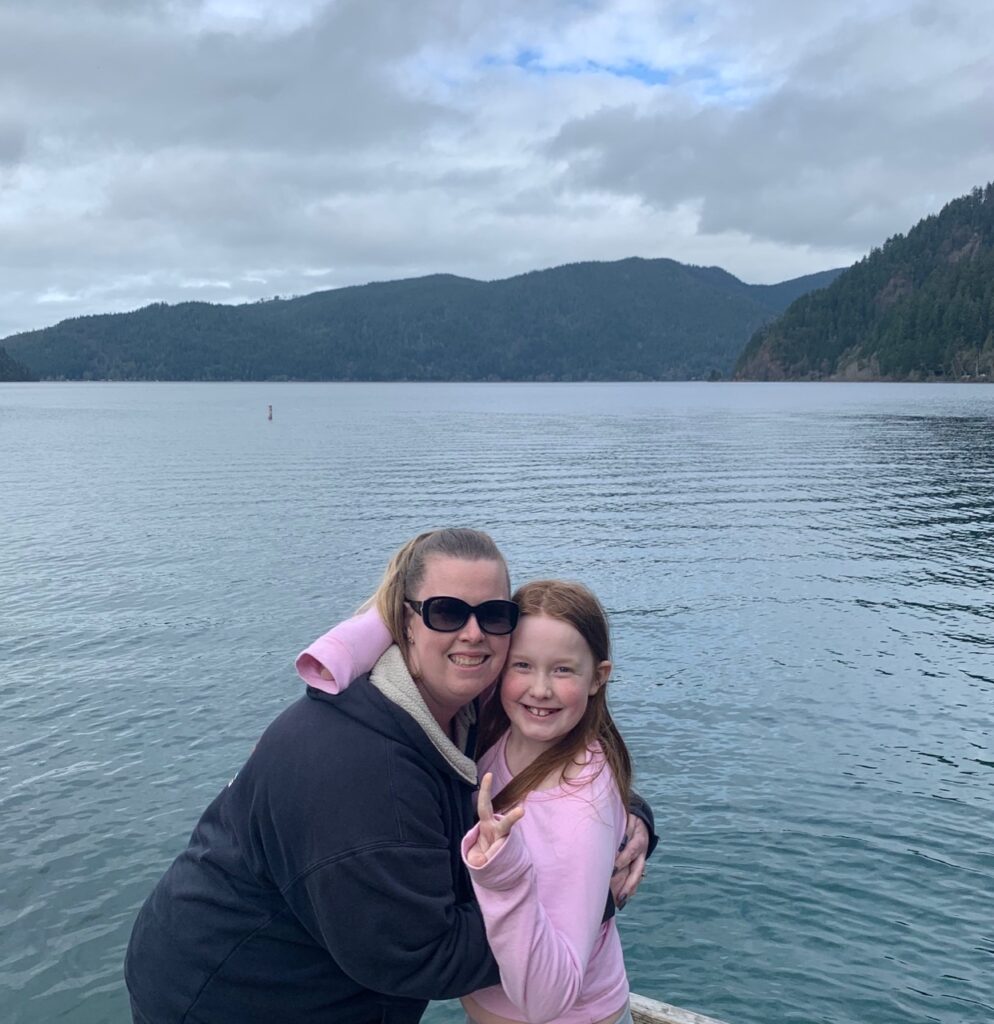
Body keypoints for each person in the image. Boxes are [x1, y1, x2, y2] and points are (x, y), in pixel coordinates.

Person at [126, 528, 652, 1024]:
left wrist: (628, 820)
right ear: (404, 623)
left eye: (493, 613)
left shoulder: (469, 706)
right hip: (232, 995)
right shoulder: (364, 775)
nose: (472, 632)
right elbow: (421, 952)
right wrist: (582, 911)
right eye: (446, 612)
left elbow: (557, 769)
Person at [308, 579, 635, 1024]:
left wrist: (504, 876)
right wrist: (317, 689)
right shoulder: (497, 726)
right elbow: (395, 646)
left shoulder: (581, 811)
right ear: (498, 665)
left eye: (563, 670)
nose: (539, 689)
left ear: (599, 677)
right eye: (522, 665)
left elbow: (550, 999)